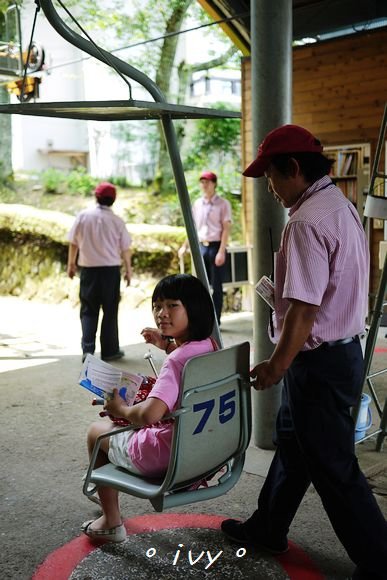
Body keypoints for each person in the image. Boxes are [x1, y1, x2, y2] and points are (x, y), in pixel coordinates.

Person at [221, 124, 387, 579]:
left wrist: (278, 364)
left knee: (334, 467)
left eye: (271, 177)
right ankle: (267, 527)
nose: (269, 188)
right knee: (294, 446)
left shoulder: (306, 222)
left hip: (319, 362)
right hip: (337, 355)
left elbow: (304, 311)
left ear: (293, 168)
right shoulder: (339, 206)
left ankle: (379, 559)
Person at [82, 273, 216, 543]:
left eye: (172, 306)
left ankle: (111, 520)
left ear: (195, 308)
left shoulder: (176, 362)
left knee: (97, 432)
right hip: (205, 448)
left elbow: (149, 415)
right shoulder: (210, 346)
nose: (161, 313)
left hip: (164, 457)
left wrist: (120, 410)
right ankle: (108, 496)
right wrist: (166, 344)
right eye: (157, 305)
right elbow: (184, 361)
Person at [67, 182, 132, 363]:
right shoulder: (117, 221)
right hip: (110, 272)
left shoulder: (83, 216)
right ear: (113, 200)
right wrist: (128, 270)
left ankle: (88, 350)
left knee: (88, 310)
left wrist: (71, 264)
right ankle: (110, 351)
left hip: (88, 271)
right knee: (110, 311)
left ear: (96, 197)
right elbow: (125, 248)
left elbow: (73, 242)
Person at [178, 171, 232, 324]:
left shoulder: (223, 203)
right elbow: (193, 228)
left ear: (214, 183)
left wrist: (221, 251)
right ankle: (204, 319)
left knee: (216, 286)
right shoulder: (197, 204)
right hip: (201, 247)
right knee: (201, 286)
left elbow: (226, 228)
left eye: (207, 182)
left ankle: (216, 321)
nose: (204, 185)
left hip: (216, 247)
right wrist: (184, 246)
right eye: (202, 182)